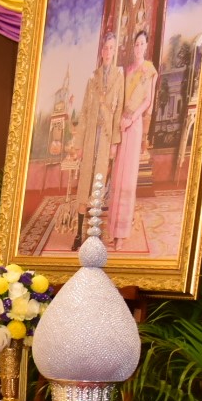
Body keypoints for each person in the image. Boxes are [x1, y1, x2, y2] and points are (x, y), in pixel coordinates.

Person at [68, 30, 124, 249]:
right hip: (91, 135)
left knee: (99, 183)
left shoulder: (119, 76)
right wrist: (80, 144)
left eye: (111, 48)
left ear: (114, 51)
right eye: (105, 48)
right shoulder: (93, 78)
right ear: (101, 51)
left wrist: (114, 143)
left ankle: (94, 234)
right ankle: (78, 233)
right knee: (84, 184)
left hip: (106, 137)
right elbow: (83, 111)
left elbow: (118, 110)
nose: (108, 52)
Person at [107, 29, 158, 250]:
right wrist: (120, 120)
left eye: (142, 44)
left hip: (134, 125)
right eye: (136, 44)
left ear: (146, 46)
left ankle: (122, 233)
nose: (138, 47)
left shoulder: (150, 71)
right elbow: (121, 99)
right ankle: (112, 230)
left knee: (127, 178)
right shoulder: (127, 71)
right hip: (121, 125)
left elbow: (147, 101)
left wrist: (131, 118)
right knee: (117, 178)